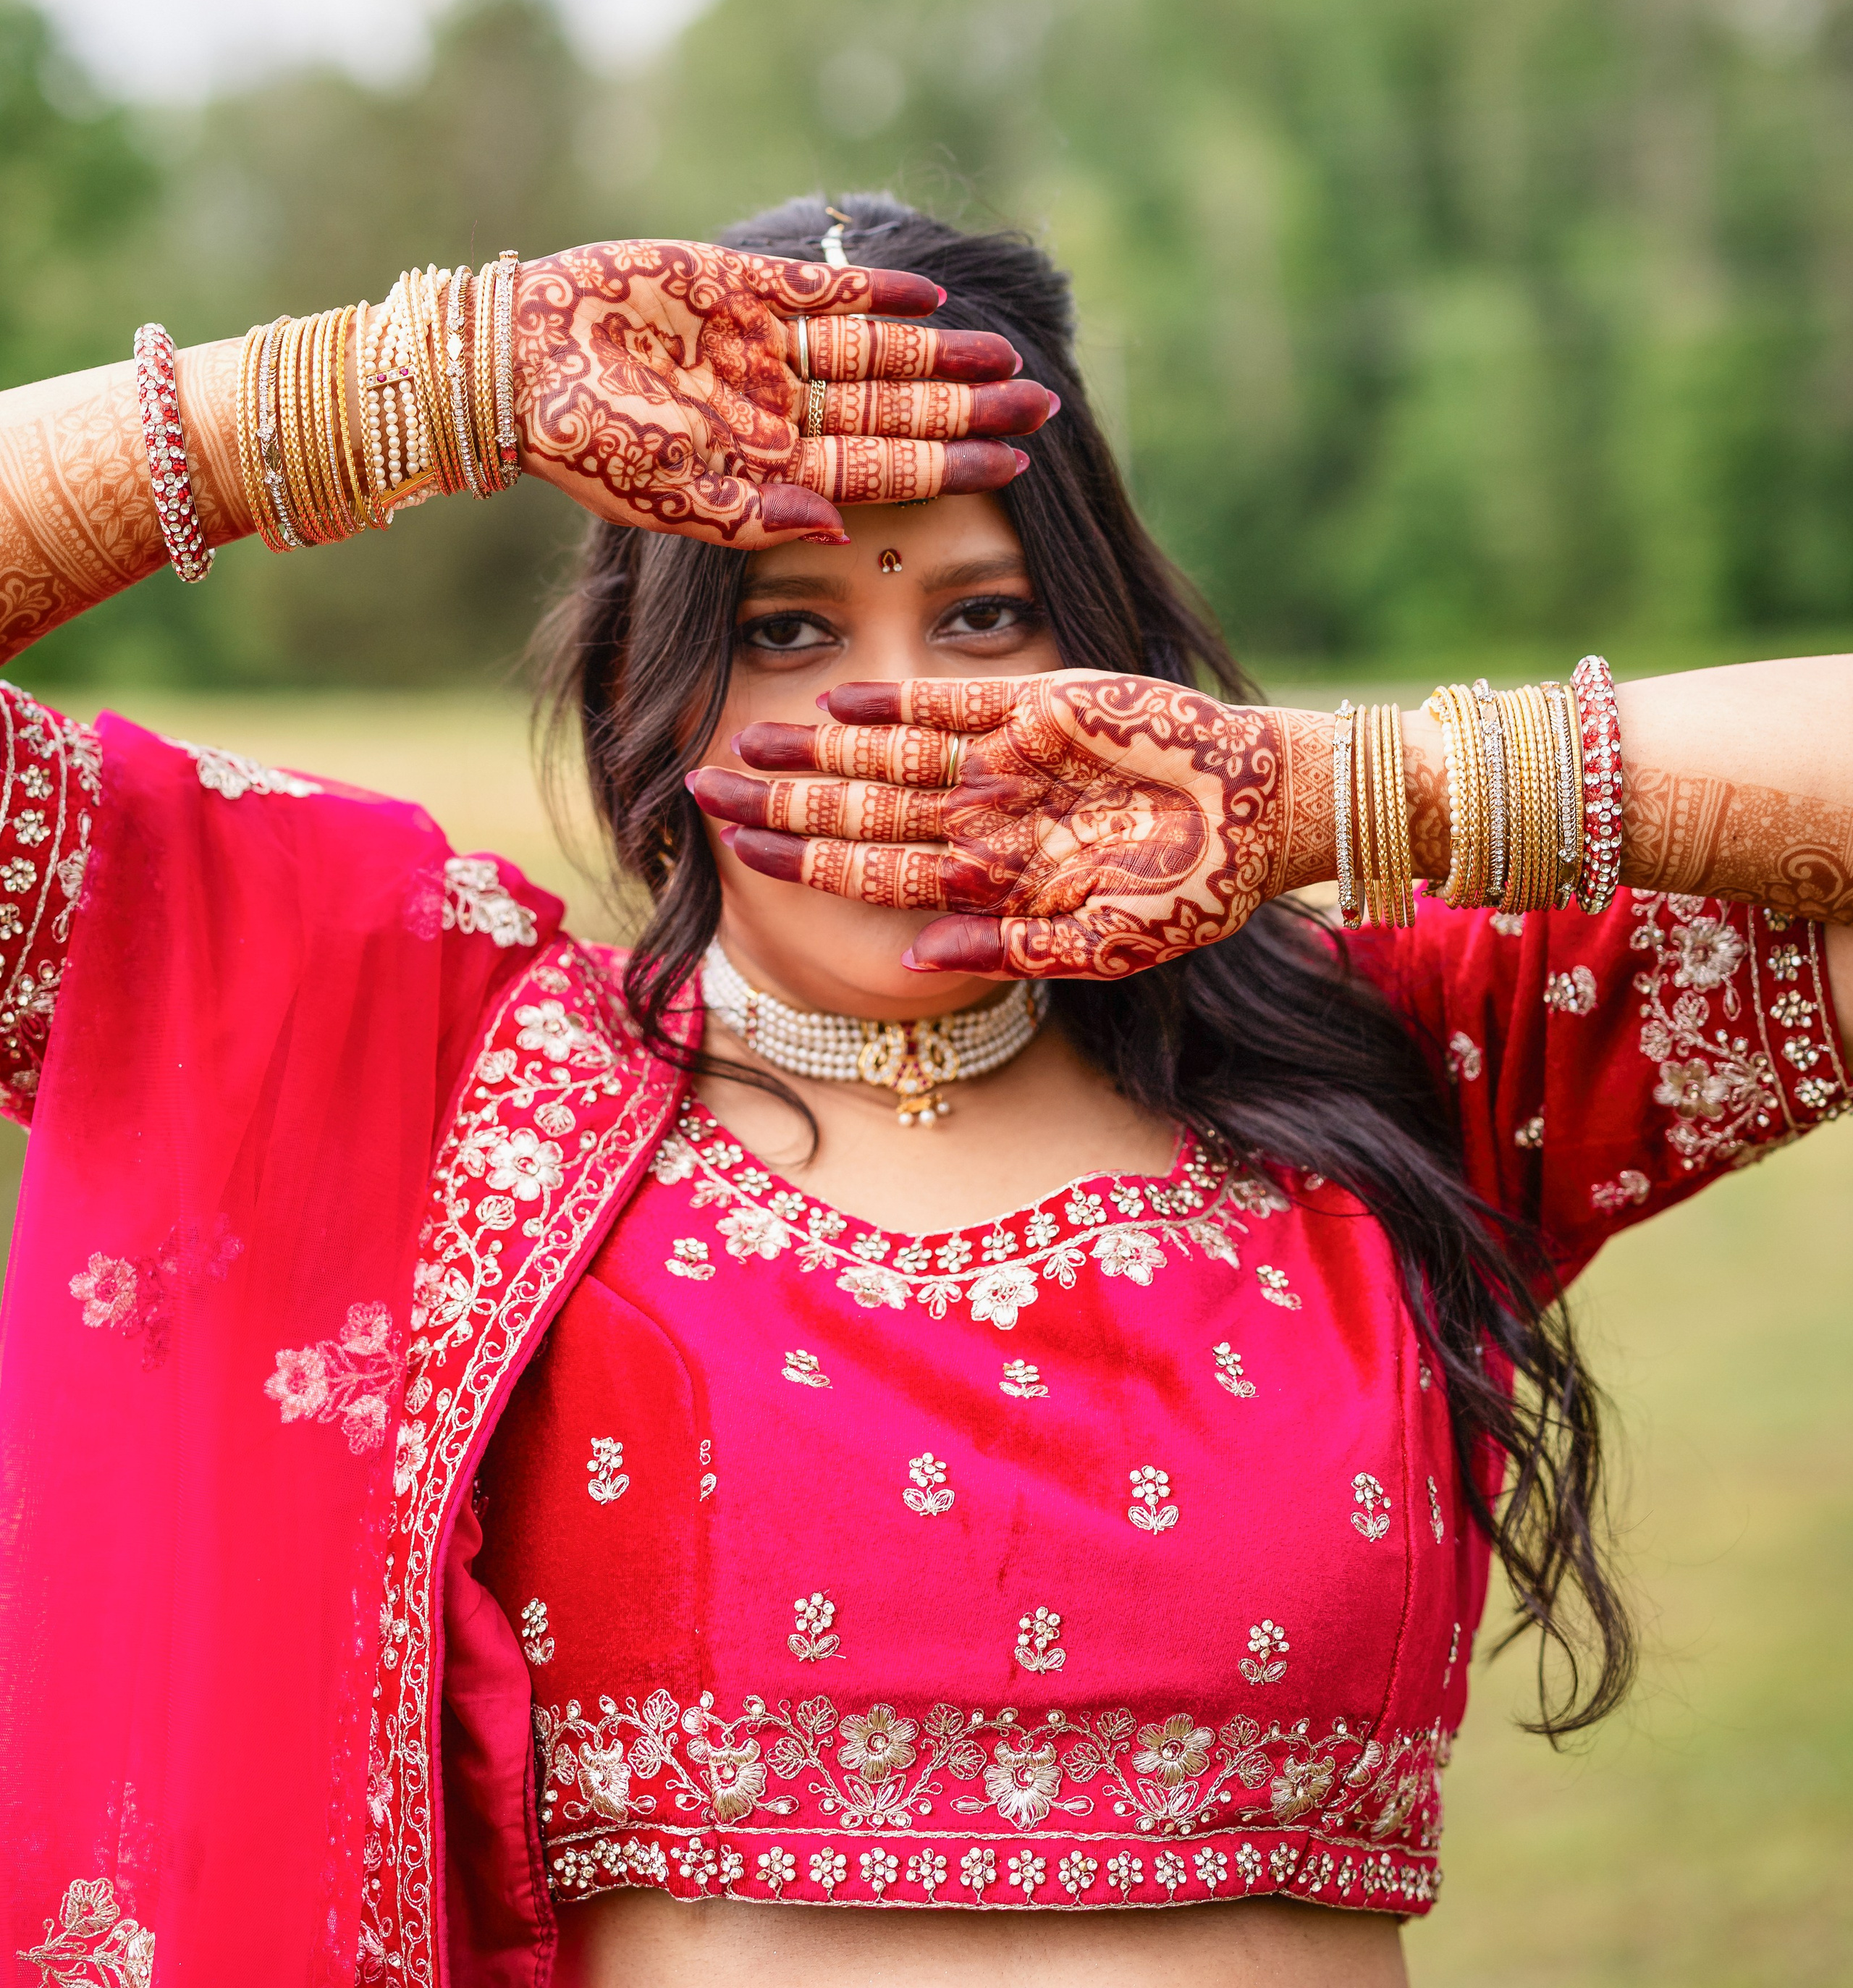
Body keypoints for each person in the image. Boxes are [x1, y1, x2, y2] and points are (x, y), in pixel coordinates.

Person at [0, 197, 1845, 1988]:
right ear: (658, 692)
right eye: (786, 629)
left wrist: (1368, 796)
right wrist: (413, 379)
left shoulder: (1390, 1060)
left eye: (986, 617)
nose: (905, 716)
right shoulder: (443, 1078)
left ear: (1107, 651)